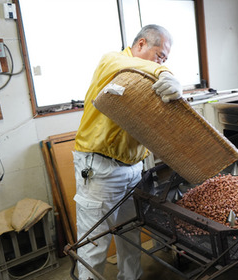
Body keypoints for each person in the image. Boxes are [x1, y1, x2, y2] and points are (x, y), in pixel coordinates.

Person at [73, 24, 182, 280]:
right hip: (100, 170)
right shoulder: (112, 61)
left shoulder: (149, 79)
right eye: (160, 55)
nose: (162, 62)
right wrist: (163, 71)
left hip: (134, 170)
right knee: (94, 245)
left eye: (165, 60)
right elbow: (126, 67)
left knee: (130, 235)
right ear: (141, 44)